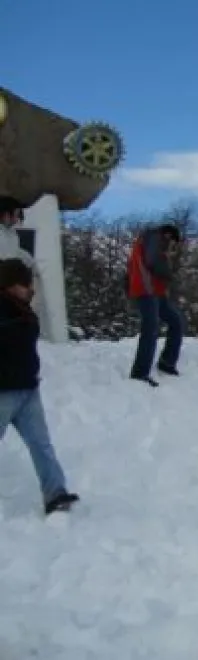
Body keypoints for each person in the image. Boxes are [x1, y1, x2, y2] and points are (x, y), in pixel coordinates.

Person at [0, 258, 78, 515]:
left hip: (28, 391)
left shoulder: (22, 309)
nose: (30, 289)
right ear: (10, 285)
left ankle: (55, 493)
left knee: (41, 444)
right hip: (4, 392)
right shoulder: (7, 310)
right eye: (25, 284)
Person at [126, 223, 185, 387]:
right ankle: (140, 372)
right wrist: (167, 269)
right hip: (146, 290)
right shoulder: (154, 238)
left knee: (176, 321)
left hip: (155, 291)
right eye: (173, 243)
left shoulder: (152, 239)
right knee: (150, 329)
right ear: (168, 236)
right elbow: (152, 262)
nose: (172, 248)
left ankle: (167, 362)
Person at [0, 196, 34, 268]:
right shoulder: (2, 235)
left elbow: (16, 251)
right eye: (16, 215)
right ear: (6, 215)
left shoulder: (11, 232)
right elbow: (8, 259)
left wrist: (30, 262)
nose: (17, 220)